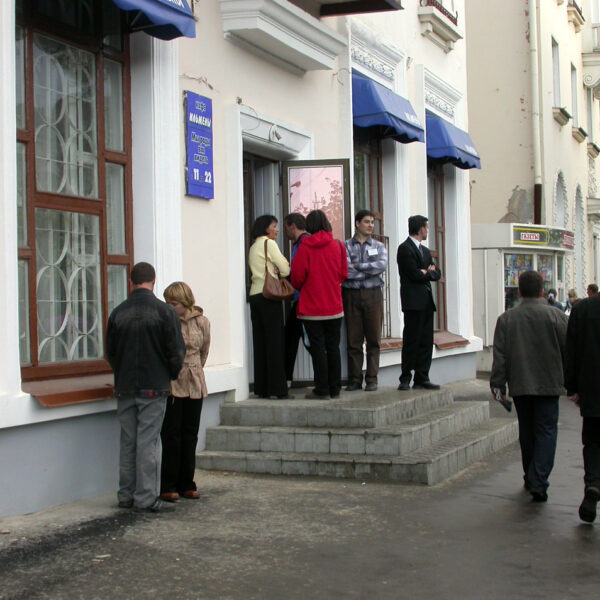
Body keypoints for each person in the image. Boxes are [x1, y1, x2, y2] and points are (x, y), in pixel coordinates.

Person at [106, 262, 185, 513]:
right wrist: (169, 374)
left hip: (125, 386)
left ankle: (125, 494)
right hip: (154, 386)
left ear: (131, 282)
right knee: (148, 443)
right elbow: (176, 351)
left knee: (128, 442)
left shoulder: (118, 313)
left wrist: (121, 373)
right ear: (154, 280)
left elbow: (111, 353)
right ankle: (146, 498)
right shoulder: (165, 312)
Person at [490, 270, 568, 503]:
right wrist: (572, 382)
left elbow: (500, 356)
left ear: (520, 292)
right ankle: (538, 479)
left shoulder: (507, 319)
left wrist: (498, 385)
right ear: (542, 291)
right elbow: (569, 351)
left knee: (527, 431)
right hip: (549, 384)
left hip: (521, 383)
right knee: (546, 431)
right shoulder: (557, 316)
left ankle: (531, 476)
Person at [160, 282, 210, 503]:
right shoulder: (166, 322)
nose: (170, 307)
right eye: (167, 303)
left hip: (195, 382)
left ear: (185, 302)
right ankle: (168, 484)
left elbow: (204, 351)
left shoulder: (202, 322)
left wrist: (195, 370)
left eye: (174, 304)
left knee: (190, 434)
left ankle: (187, 482)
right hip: (174, 382)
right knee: (171, 434)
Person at [291, 210, 348, 399]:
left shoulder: (305, 247)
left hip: (311, 308)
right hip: (334, 306)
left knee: (318, 349)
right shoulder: (338, 245)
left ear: (309, 226)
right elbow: (343, 274)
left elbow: (297, 278)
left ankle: (321, 389)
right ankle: (335, 388)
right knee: (333, 347)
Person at [342, 210, 388, 392]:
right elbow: (345, 271)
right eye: (367, 222)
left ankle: (372, 379)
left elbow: (381, 266)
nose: (370, 225)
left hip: (373, 295)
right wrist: (367, 270)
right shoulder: (345, 246)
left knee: (373, 339)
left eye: (372, 222)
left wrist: (357, 266)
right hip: (351, 295)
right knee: (353, 339)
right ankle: (354, 379)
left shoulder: (379, 246)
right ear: (357, 223)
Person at [565, 291, 600, 522]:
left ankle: (593, 484)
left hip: (593, 390)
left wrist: (572, 387)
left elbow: (571, 351)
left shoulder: (583, 309)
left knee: (593, 442)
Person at [248, 214, 291, 399]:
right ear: (266, 228)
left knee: (260, 343)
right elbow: (285, 270)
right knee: (275, 343)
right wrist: (278, 267)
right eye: (274, 226)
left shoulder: (253, 247)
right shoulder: (269, 243)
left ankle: (262, 388)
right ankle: (278, 389)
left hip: (255, 295)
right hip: (269, 295)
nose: (277, 230)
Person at [396, 215, 441, 391]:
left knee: (426, 341)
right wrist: (425, 272)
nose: (427, 230)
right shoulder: (405, 249)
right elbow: (413, 274)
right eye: (426, 227)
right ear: (421, 228)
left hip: (426, 302)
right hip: (413, 303)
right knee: (411, 340)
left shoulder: (426, 251)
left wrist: (426, 272)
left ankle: (422, 377)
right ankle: (405, 377)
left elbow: (437, 273)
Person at [283, 213, 310, 384]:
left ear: (293, 226)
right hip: (300, 299)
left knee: (305, 341)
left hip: (304, 300)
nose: (284, 231)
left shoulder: (304, 243)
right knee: (292, 339)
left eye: (286, 227)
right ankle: (286, 379)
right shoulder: (298, 243)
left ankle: (286, 380)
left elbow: (301, 272)